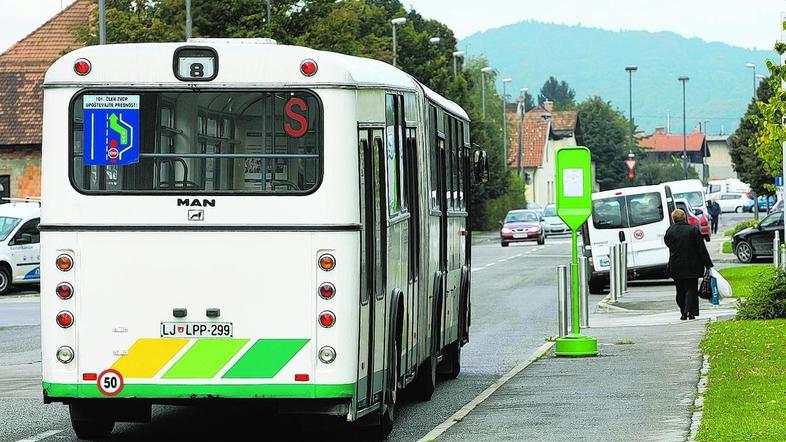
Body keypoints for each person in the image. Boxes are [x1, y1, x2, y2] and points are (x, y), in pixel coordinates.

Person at [664, 209, 713, 320]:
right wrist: (708, 264)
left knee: (680, 290)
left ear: (674, 219)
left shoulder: (670, 231)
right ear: (685, 217)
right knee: (691, 289)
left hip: (676, 266)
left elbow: (668, 244)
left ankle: (682, 312)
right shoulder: (693, 230)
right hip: (692, 265)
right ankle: (690, 312)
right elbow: (701, 249)